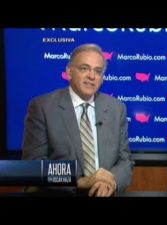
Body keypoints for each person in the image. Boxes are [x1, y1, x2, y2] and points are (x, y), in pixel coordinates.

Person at [22, 43, 134, 197]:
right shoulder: (42, 107)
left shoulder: (117, 108)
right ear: (69, 72)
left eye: (97, 71)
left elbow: (125, 161)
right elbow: (34, 167)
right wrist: (83, 181)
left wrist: (110, 182)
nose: (91, 76)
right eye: (84, 68)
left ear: (102, 78)